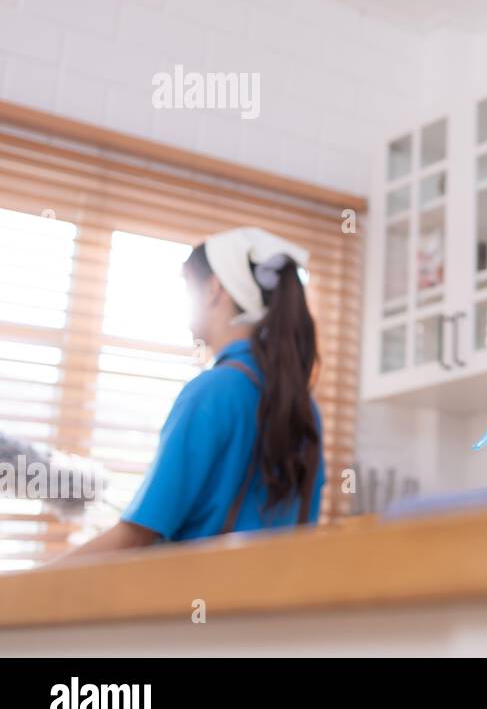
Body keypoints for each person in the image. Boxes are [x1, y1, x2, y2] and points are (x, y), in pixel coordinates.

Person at [54, 227, 327, 559]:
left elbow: (136, 537)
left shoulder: (213, 392)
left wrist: (23, 589)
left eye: (187, 287)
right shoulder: (304, 407)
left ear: (213, 289)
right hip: (270, 606)